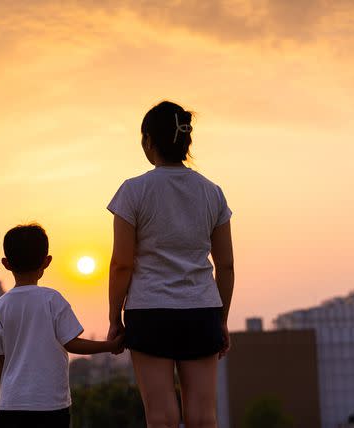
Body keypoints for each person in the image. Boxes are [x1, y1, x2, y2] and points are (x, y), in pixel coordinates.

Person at [107, 101, 235, 428]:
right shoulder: (213, 193)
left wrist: (114, 317)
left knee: (161, 416)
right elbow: (226, 265)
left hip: (149, 311)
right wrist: (221, 320)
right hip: (202, 309)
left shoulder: (132, 191)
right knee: (203, 416)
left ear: (148, 141)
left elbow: (122, 263)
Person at [0, 224, 123, 428]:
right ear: (47, 261)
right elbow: (72, 344)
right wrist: (109, 346)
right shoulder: (52, 299)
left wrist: (5, 395)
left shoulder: (1, 305)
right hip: (50, 405)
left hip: (11, 406)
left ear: (6, 263)